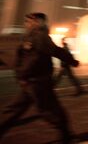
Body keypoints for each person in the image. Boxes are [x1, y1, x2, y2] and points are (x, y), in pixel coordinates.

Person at [0, 12, 80, 143]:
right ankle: (68, 137)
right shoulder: (35, 36)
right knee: (52, 111)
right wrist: (73, 61)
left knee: (14, 110)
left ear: (38, 22)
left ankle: (67, 137)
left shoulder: (36, 37)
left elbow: (50, 53)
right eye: (26, 22)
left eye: (29, 21)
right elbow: (53, 52)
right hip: (37, 82)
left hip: (33, 82)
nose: (26, 24)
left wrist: (21, 75)